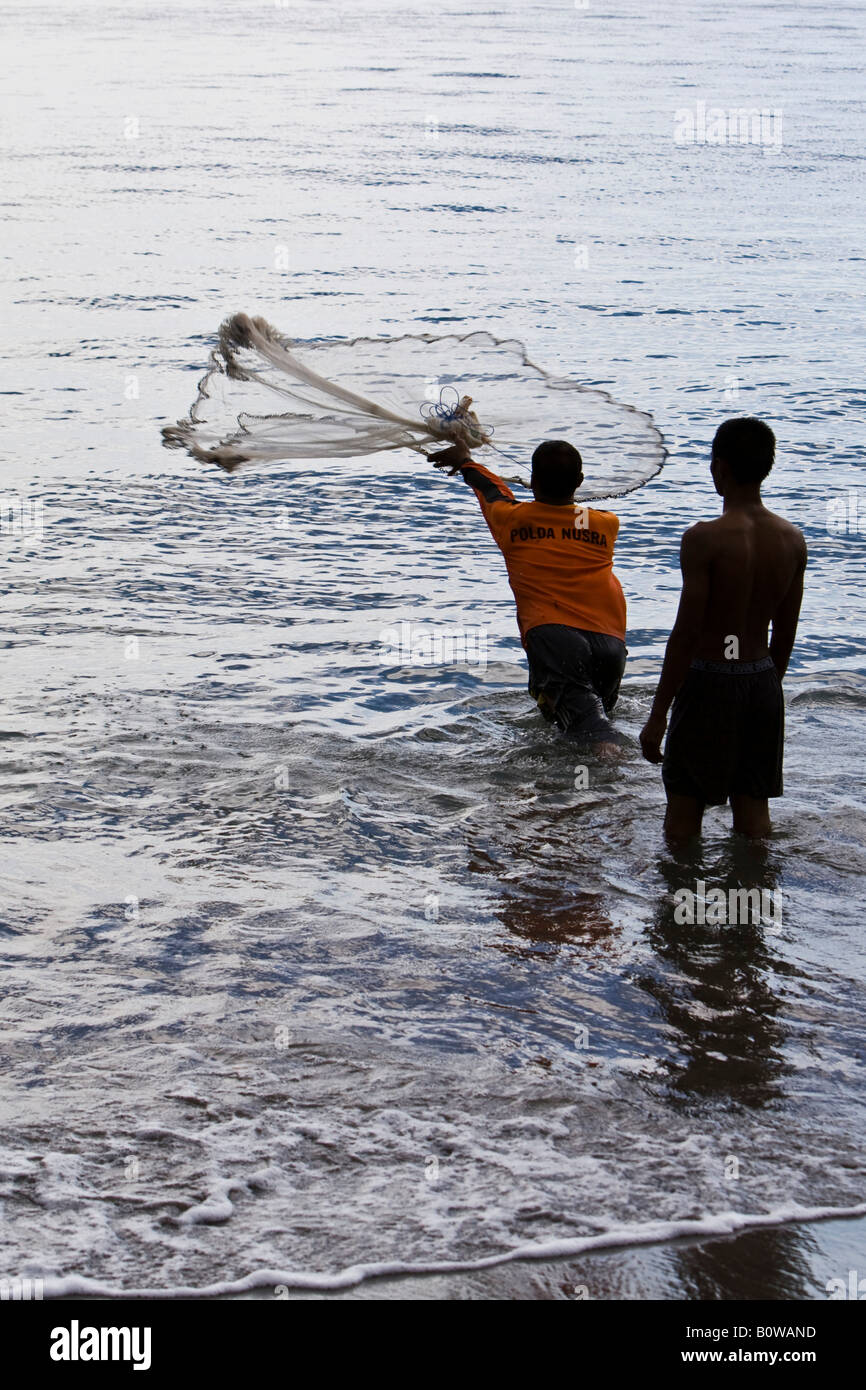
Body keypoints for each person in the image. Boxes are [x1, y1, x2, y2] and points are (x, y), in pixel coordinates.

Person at [639, 417, 807, 841]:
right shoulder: (792, 540)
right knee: (754, 817)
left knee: (683, 817)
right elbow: (785, 634)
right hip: (762, 680)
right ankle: (755, 899)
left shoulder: (704, 539)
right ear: (767, 466)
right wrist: (764, 687)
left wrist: (658, 716)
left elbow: (687, 634)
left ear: (719, 468)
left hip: (708, 680)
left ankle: (679, 903)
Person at [430, 439, 628, 754]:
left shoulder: (511, 519)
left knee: (592, 731)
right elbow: (570, 517)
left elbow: (492, 491)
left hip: (555, 638)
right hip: (610, 644)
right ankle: (588, 794)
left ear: (533, 481)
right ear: (579, 481)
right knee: (584, 724)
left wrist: (465, 461)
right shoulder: (605, 524)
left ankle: (624, 783)